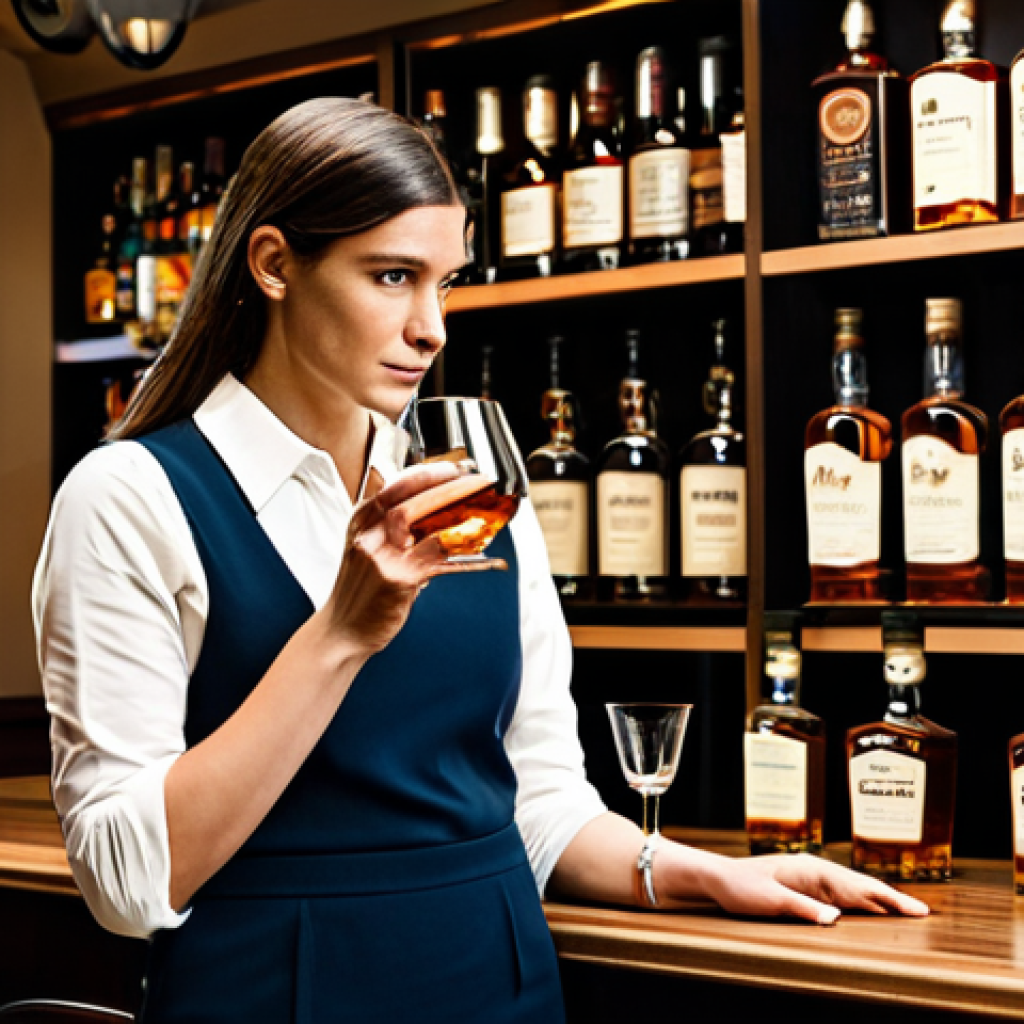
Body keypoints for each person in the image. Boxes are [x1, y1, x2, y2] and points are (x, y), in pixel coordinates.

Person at [32, 97, 928, 1024]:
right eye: (391, 277)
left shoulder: (475, 490)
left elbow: (537, 800)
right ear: (273, 265)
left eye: (445, 283)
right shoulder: (128, 497)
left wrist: (700, 874)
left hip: (500, 983)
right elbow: (127, 880)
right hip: (272, 994)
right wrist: (339, 634)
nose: (433, 328)